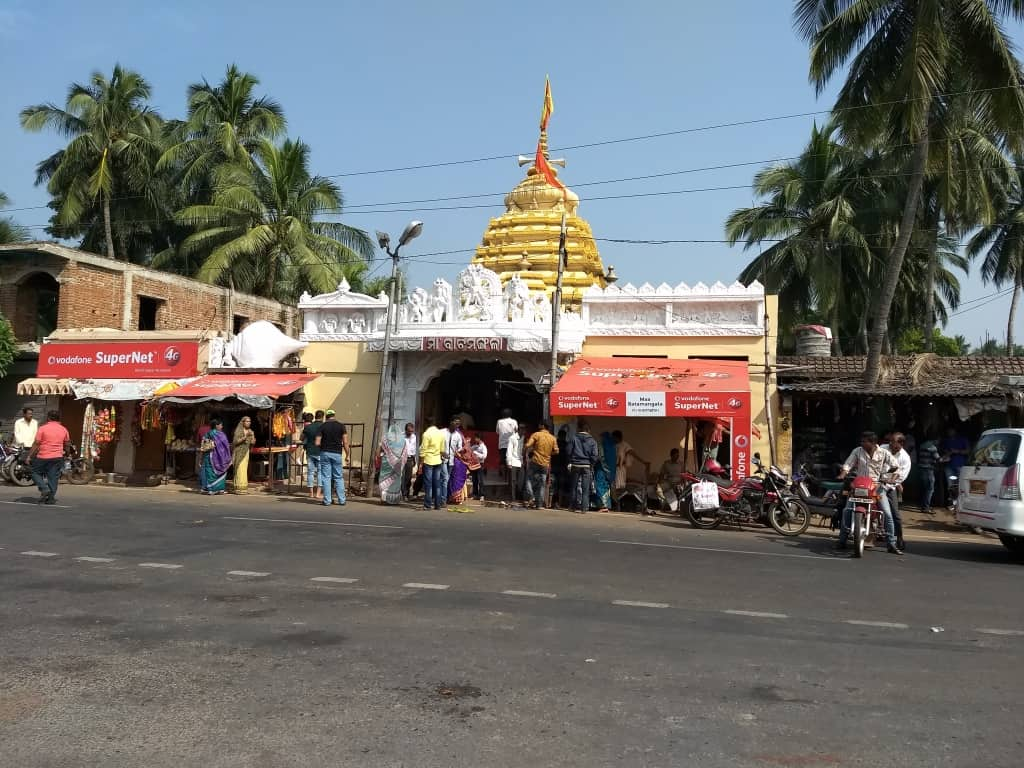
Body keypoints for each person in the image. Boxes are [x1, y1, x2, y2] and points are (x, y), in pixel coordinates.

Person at [836, 431, 902, 555]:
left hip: (877, 487)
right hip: (860, 487)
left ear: (873, 442)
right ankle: (842, 540)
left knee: (887, 514)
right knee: (847, 510)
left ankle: (891, 543)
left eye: (864, 441)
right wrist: (842, 474)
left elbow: (895, 466)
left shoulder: (884, 453)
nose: (862, 443)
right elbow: (848, 464)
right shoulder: (857, 451)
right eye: (861, 441)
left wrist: (890, 478)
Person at [29, 410, 70, 505]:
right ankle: (51, 498)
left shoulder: (43, 428)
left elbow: (36, 443)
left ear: (48, 418)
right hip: (57, 457)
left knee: (34, 472)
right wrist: (67, 454)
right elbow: (67, 443)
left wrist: (29, 456)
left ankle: (44, 488)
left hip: (43, 456)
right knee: (53, 477)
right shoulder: (64, 429)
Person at [882, 432, 913, 551]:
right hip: (875, 483)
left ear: (901, 444)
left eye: (893, 442)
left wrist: (889, 482)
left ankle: (899, 537)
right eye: (890, 441)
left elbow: (900, 477)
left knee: (895, 515)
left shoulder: (905, 458)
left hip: (890, 486)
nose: (890, 444)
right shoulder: (883, 448)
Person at [315, 409, 349, 506]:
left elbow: (317, 442)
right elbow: (345, 442)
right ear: (334, 415)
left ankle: (327, 501)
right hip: (337, 453)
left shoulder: (322, 426)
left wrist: (324, 445)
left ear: (326, 416)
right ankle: (342, 500)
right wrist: (348, 455)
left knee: (326, 477)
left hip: (325, 453)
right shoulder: (341, 426)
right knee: (338, 477)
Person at [567, 420, 599, 514]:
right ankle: (584, 508)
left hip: (575, 464)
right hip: (586, 466)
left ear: (580, 429)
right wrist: (591, 464)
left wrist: (570, 461)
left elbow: (568, 451)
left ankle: (572, 507)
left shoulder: (573, 438)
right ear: (588, 430)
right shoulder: (593, 441)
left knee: (574, 486)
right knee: (586, 488)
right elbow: (595, 455)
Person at [525, 422, 559, 509]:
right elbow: (556, 451)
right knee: (542, 484)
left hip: (535, 461)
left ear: (543, 426)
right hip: (545, 464)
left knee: (528, 479)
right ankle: (539, 504)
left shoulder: (536, 434)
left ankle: (531, 496)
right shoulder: (552, 438)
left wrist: (526, 449)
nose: (538, 426)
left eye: (540, 424)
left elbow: (528, 445)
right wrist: (548, 454)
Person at [419, 416, 447, 510]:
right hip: (438, 461)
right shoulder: (440, 434)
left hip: (428, 461)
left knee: (428, 484)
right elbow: (442, 450)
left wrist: (421, 463)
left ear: (426, 424)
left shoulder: (426, 434)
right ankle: (437, 504)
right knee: (437, 483)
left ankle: (427, 504)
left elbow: (423, 450)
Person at [199, 418, 232, 495]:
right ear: (216, 426)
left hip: (209, 456)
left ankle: (212, 489)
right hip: (220, 458)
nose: (222, 426)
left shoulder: (208, 434)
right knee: (213, 472)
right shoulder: (221, 434)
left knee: (210, 472)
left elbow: (203, 446)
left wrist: (201, 457)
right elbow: (226, 446)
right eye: (221, 425)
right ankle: (217, 489)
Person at [939, 427, 970, 507]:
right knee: (950, 486)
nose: (949, 432)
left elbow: (968, 451)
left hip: (960, 465)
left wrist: (957, 451)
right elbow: (942, 451)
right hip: (948, 466)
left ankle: (961, 504)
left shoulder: (962, 439)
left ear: (955, 430)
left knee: (960, 485)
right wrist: (947, 453)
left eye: (951, 430)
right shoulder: (946, 440)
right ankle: (953, 503)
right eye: (948, 430)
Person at [379, 424, 408, 505]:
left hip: (387, 462)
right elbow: (405, 452)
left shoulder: (385, 438)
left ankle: (384, 499)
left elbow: (381, 449)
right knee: (396, 481)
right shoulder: (403, 440)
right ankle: (395, 500)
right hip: (398, 464)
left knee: (384, 479)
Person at [301, 411, 324, 499]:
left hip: (310, 451)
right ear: (322, 417)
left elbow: (301, 438)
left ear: (315, 417)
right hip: (321, 452)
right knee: (320, 473)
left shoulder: (308, 427)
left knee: (310, 472)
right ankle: (318, 493)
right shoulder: (324, 426)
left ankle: (310, 493)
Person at [231, 416, 256, 494]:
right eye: (247, 421)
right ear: (243, 422)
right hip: (238, 452)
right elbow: (235, 442)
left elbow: (251, 443)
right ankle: (238, 488)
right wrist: (245, 437)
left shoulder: (251, 431)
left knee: (244, 469)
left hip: (246, 452)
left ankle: (243, 488)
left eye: (250, 421)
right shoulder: (239, 430)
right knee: (239, 469)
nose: (249, 423)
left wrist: (253, 441)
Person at [917, 434, 940, 514]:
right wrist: (946, 457)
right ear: (935, 440)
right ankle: (926, 507)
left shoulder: (922, 445)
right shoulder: (933, 447)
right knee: (930, 488)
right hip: (928, 469)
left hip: (921, 468)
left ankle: (923, 505)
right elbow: (938, 459)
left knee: (924, 487)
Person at [657, 448, 686, 512]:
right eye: (675, 455)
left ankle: (678, 506)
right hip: (669, 482)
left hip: (679, 482)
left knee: (681, 489)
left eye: (677, 456)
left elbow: (684, 475)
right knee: (661, 487)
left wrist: (682, 482)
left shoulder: (681, 464)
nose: (676, 457)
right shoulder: (666, 463)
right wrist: (658, 483)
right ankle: (666, 504)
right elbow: (661, 474)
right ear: (671, 455)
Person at [593, 431, 616, 511]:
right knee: (606, 487)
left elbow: (601, 457)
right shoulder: (612, 447)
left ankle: (603, 506)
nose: (601, 439)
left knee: (600, 486)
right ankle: (607, 505)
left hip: (601, 469)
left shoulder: (602, 446)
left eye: (601, 437)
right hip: (610, 471)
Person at [496, 409, 518, 477]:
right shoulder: (514, 421)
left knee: (502, 459)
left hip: (502, 444)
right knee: (512, 458)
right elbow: (516, 430)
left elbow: (497, 432)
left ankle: (501, 471)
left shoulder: (499, 421)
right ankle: (511, 473)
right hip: (512, 444)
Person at [402, 422, 418, 500]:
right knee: (402, 477)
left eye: (412, 431)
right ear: (406, 430)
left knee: (408, 477)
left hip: (410, 458)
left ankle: (407, 494)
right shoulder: (401, 436)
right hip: (401, 459)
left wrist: (414, 459)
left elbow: (414, 449)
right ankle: (403, 494)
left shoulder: (414, 437)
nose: (410, 433)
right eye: (409, 431)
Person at [469, 435, 488, 500]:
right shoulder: (474, 446)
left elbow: (484, 456)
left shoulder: (483, 447)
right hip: (474, 465)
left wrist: (476, 453)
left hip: (480, 464)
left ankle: (482, 495)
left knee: (480, 480)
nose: (475, 439)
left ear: (479, 438)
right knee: (474, 480)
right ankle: (475, 494)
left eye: (476, 438)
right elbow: (469, 450)